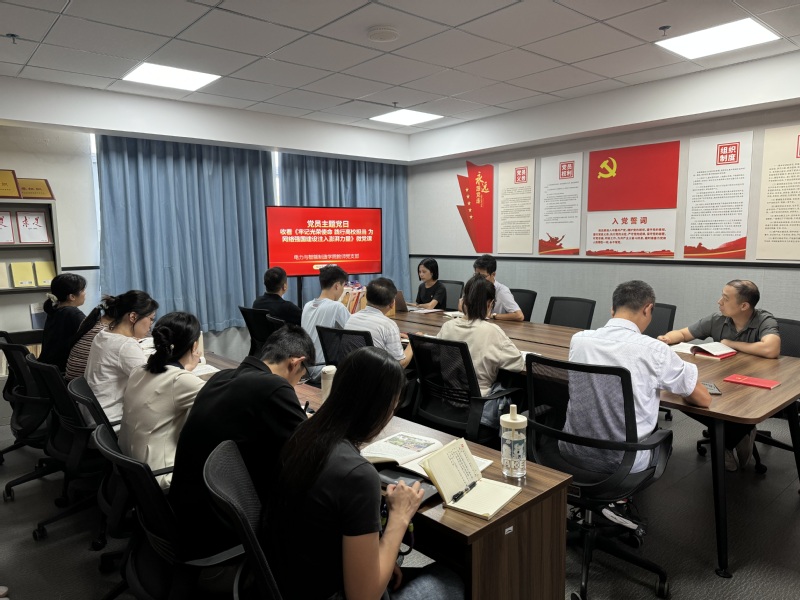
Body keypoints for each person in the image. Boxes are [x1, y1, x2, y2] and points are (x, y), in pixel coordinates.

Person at [264, 347, 464, 600]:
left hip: (292, 582)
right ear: (379, 407)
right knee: (453, 580)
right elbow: (363, 596)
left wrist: (377, 557)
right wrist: (400, 517)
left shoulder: (303, 433)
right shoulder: (358, 476)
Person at [168, 324, 314, 560]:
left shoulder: (220, 377)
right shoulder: (274, 386)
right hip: (217, 533)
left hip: (184, 516)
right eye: (302, 376)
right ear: (296, 363)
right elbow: (310, 447)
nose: (298, 382)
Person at [565, 280, 711, 475]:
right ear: (647, 309)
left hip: (572, 451)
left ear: (612, 310)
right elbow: (703, 399)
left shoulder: (579, 340)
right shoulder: (655, 350)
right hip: (624, 461)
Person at [658, 279, 781, 470]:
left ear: (744, 306)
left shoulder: (764, 320)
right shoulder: (717, 319)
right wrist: (667, 338)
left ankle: (728, 441)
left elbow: (771, 349)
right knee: (686, 396)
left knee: (728, 406)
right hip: (723, 380)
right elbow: (683, 334)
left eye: (725, 298)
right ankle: (739, 434)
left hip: (754, 386)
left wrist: (730, 344)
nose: (719, 301)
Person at [119, 312, 205, 490]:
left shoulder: (139, 370)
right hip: (161, 476)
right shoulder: (181, 381)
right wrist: (185, 371)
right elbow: (223, 400)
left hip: (129, 467)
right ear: (194, 345)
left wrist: (185, 369)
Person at [438, 274, 525, 427]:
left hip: (447, 403)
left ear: (464, 301)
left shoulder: (447, 327)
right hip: (478, 407)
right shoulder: (492, 331)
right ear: (490, 303)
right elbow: (518, 364)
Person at [84, 290, 159, 424]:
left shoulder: (103, 334)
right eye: (151, 319)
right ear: (133, 317)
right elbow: (152, 385)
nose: (150, 325)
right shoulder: (126, 345)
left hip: (94, 414)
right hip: (111, 421)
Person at [345, 277, 413, 368]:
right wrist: (412, 342)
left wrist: (394, 336)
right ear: (392, 303)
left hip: (352, 373)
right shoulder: (388, 325)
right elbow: (399, 365)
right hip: (377, 375)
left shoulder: (351, 318)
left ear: (366, 297)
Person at [301, 265, 351, 381]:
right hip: (324, 370)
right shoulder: (337, 307)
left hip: (305, 369)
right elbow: (356, 333)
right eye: (343, 286)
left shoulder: (307, 305)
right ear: (337, 286)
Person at [38, 273, 87, 372]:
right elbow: (94, 334)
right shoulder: (72, 313)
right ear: (72, 297)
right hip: (63, 371)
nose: (85, 293)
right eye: (82, 290)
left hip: (49, 371)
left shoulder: (55, 310)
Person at [459, 254, 524, 321]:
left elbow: (519, 316)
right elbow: (461, 306)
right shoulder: (474, 285)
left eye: (483, 276)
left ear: (493, 274)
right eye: (476, 275)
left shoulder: (502, 291)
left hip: (497, 325)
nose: (479, 279)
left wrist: (492, 315)